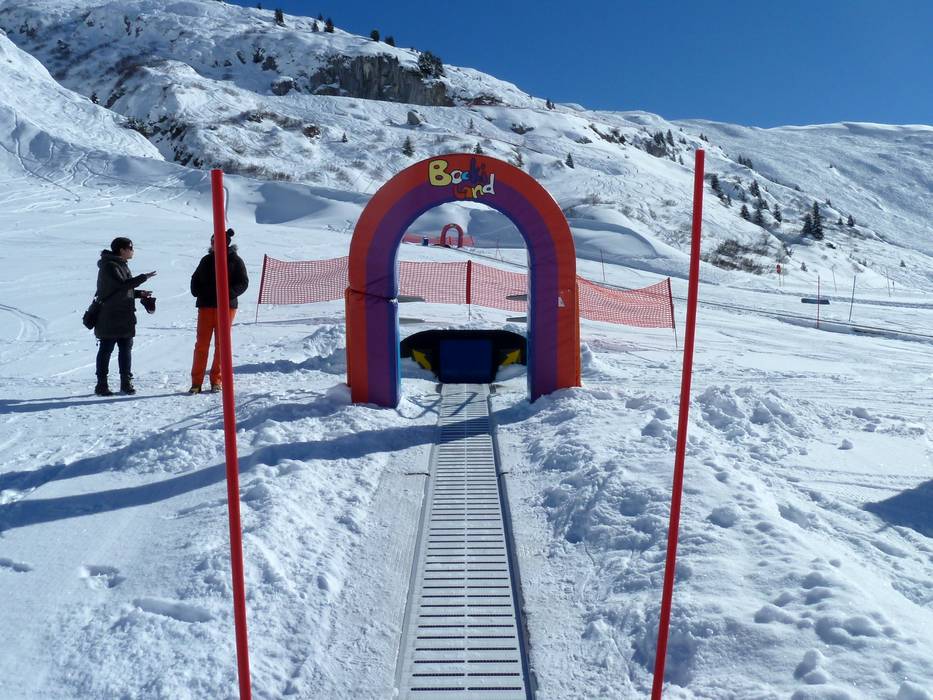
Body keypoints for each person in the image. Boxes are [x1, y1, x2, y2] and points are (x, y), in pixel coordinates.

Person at [188, 228, 249, 393]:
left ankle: (217, 380)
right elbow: (195, 279)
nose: (214, 245)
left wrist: (228, 294)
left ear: (225, 243)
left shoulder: (235, 261)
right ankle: (196, 382)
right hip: (206, 306)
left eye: (216, 242)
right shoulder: (206, 260)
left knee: (222, 345)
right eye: (212, 242)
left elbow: (243, 282)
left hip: (226, 307)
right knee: (201, 344)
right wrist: (197, 291)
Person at [94, 237, 156, 396]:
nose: (133, 251)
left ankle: (126, 382)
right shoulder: (110, 266)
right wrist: (143, 277)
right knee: (106, 349)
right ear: (122, 250)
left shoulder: (120, 265)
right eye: (131, 248)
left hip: (124, 316)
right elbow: (122, 285)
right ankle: (101, 385)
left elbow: (121, 290)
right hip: (110, 316)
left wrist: (139, 294)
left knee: (125, 349)